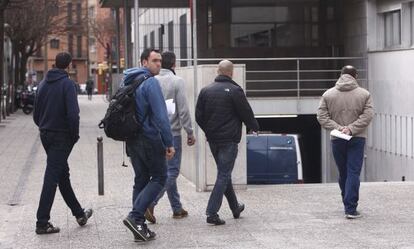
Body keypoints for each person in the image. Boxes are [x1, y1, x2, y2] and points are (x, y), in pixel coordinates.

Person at [33, 52, 93, 235]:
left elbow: (36, 114)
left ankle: (79, 214)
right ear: (69, 66)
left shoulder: (42, 83)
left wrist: (44, 126)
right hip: (61, 137)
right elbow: (73, 115)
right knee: (52, 177)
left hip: (45, 134)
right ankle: (42, 222)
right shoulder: (67, 84)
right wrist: (73, 136)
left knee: (61, 176)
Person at [195, 60, 259, 225]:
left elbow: (198, 116)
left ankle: (235, 207)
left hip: (213, 139)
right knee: (223, 174)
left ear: (218, 71)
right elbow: (245, 112)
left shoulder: (205, 90)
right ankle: (212, 212)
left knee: (225, 173)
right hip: (229, 140)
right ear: (231, 73)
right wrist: (254, 127)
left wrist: (208, 131)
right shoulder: (235, 90)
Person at [122, 48, 175, 242]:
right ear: (144, 62)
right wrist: (169, 142)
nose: (159, 64)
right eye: (154, 61)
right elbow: (161, 117)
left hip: (132, 138)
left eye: (160, 61)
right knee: (160, 177)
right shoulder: (150, 83)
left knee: (141, 179)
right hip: (149, 138)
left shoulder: (128, 80)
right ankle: (135, 216)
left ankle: (139, 226)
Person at [144, 51, 196, 224]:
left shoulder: (152, 80)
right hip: (172, 133)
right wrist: (189, 131)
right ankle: (149, 203)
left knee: (165, 171)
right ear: (174, 64)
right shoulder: (177, 81)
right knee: (172, 171)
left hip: (153, 133)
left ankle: (177, 207)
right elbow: (183, 110)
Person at [317, 65, 374, 219]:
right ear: (355, 76)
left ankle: (346, 201)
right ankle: (350, 208)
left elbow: (322, 117)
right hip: (357, 137)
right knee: (353, 172)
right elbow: (368, 115)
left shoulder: (328, 95)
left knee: (344, 173)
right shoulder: (364, 94)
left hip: (337, 138)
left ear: (341, 75)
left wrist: (339, 128)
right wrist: (351, 129)